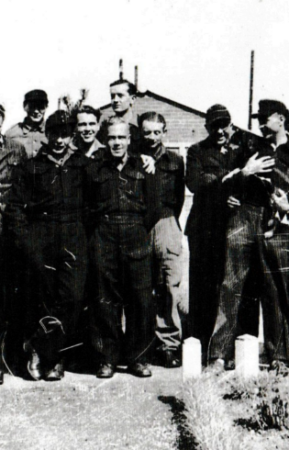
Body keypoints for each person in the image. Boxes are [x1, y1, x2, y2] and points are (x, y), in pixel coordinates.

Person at [186, 104, 274, 365]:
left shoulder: (244, 149)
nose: (220, 131)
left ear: (232, 125)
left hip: (236, 227)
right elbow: (196, 183)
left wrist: (237, 188)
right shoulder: (197, 151)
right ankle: (204, 348)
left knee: (243, 286)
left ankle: (239, 350)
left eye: (225, 125)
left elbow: (256, 178)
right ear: (207, 128)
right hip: (206, 230)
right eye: (215, 126)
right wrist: (234, 180)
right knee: (205, 289)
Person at [6, 110, 89, 381]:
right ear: (47, 134)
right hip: (42, 239)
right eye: (55, 134)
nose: (60, 140)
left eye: (65, 134)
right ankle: (49, 359)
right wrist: (28, 244)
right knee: (43, 300)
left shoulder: (83, 165)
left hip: (74, 237)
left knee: (73, 299)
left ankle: (45, 350)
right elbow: (15, 210)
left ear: (71, 135)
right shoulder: (31, 167)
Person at [87, 116, 155, 379]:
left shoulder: (143, 165)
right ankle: (107, 358)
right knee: (105, 298)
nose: (116, 142)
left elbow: (153, 206)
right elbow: (88, 205)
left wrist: (136, 229)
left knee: (140, 298)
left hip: (135, 232)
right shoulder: (95, 168)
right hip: (104, 234)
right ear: (105, 140)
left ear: (129, 139)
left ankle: (138, 358)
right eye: (111, 138)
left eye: (121, 137)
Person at [138, 112, 185, 368]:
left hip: (166, 221)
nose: (153, 137)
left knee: (168, 284)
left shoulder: (175, 160)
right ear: (140, 133)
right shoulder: (132, 158)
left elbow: (178, 198)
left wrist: (168, 223)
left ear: (164, 132)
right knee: (140, 286)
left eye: (157, 132)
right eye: (147, 132)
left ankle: (168, 344)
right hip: (139, 223)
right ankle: (142, 345)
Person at [0, 102, 26, 385]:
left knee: (13, 298)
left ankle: (13, 358)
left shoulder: (16, 149)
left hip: (12, 233)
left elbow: (24, 189)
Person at [251, 99, 289, 369]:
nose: (262, 124)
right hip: (264, 230)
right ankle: (277, 357)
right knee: (271, 295)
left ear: (281, 118)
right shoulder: (258, 151)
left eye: (265, 118)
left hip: (287, 229)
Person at [6, 89, 48, 158]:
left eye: (40, 107)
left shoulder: (53, 133)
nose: (36, 111)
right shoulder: (11, 134)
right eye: (32, 107)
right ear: (24, 107)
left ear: (46, 107)